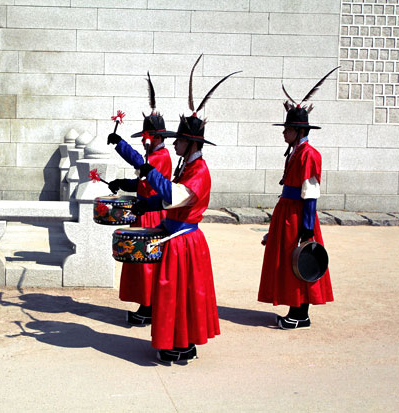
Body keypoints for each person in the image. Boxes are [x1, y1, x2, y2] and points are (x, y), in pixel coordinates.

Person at [110, 58, 239, 364]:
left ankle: (181, 344)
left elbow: (174, 194)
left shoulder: (199, 170)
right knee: (174, 294)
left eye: (179, 139)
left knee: (178, 294)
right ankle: (178, 343)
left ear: (190, 143)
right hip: (176, 236)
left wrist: (144, 169)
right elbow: (169, 200)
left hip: (183, 239)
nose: (175, 143)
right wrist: (147, 203)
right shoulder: (188, 165)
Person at [258, 68, 337, 329]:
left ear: (297, 130)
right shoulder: (295, 152)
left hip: (298, 215)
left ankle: (299, 314)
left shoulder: (309, 155)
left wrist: (306, 228)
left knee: (298, 261)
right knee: (290, 262)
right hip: (287, 212)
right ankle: (297, 311)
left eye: (287, 130)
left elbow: (310, 193)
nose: (283, 133)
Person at [107, 72, 173, 326]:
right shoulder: (156, 155)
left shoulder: (161, 157)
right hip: (144, 210)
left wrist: (121, 144)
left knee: (146, 261)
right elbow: (142, 182)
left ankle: (149, 307)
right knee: (141, 260)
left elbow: (142, 166)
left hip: (153, 213)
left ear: (155, 137)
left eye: (147, 136)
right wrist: (122, 183)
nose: (144, 140)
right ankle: (146, 305)